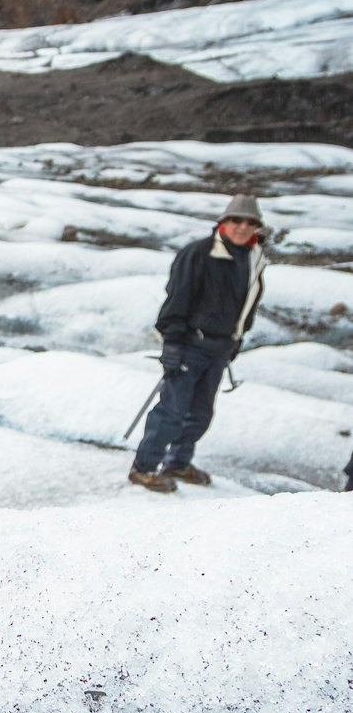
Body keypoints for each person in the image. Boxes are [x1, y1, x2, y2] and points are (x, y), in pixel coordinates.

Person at [129, 194, 267, 493]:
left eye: (250, 222)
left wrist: (236, 339)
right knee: (171, 412)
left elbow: (247, 303)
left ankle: (177, 463)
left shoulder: (254, 257)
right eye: (236, 220)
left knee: (201, 414)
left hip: (220, 348)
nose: (242, 227)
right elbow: (177, 300)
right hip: (190, 344)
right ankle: (143, 468)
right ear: (223, 222)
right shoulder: (198, 253)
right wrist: (173, 345)